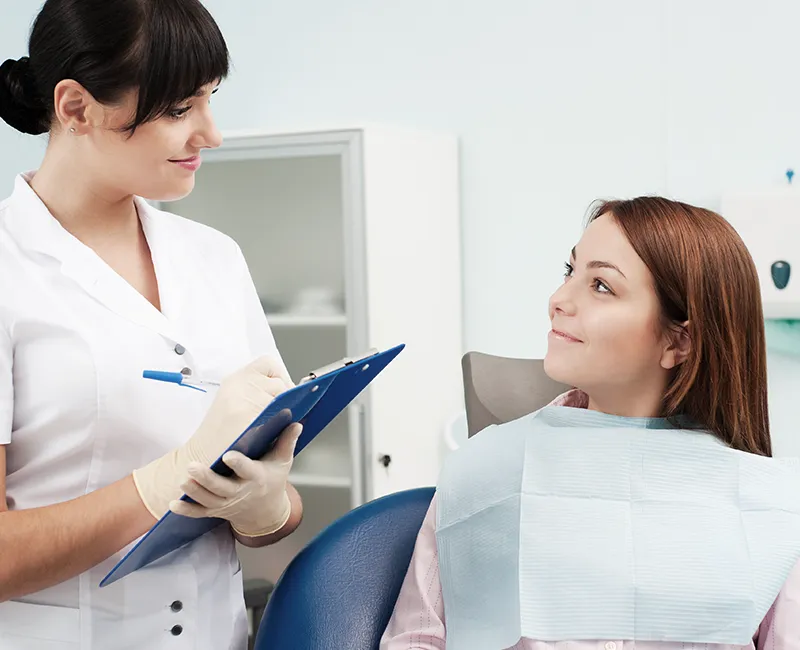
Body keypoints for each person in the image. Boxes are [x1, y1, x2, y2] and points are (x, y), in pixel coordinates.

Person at [0, 1, 304, 648]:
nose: (211, 134)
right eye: (178, 110)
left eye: (210, 100)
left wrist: (267, 507)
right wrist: (166, 479)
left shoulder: (215, 257)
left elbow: (276, 499)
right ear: (77, 107)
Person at [381, 197, 800, 649]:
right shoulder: (485, 471)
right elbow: (416, 640)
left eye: (601, 285)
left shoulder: (769, 509)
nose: (557, 301)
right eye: (570, 271)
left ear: (678, 342)